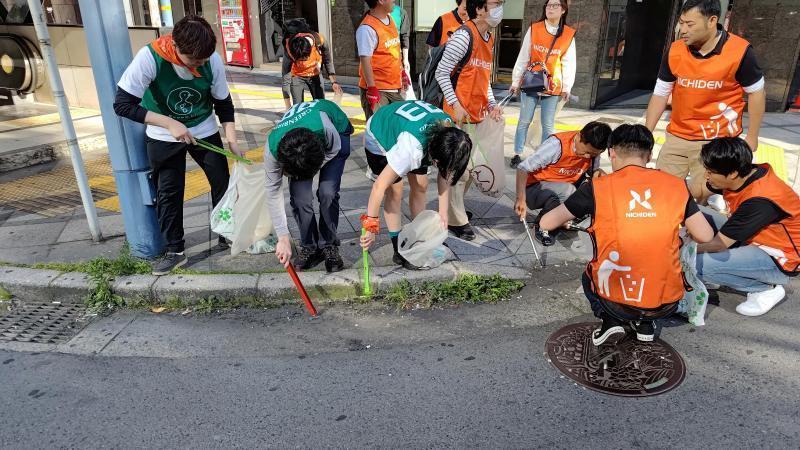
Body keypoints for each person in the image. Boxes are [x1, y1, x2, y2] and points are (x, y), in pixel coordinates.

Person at [540, 124, 714, 346]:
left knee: (589, 274)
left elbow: (547, 222)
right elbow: (705, 235)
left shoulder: (597, 187)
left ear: (611, 152)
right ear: (650, 155)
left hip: (617, 300)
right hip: (666, 301)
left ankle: (609, 321)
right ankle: (645, 325)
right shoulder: (677, 185)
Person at [113, 15, 244, 276]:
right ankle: (175, 250)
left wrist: (232, 140)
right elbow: (123, 104)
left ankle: (225, 233)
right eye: (194, 60)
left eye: (204, 59)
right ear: (176, 47)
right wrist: (168, 123)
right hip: (164, 135)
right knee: (169, 191)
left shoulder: (211, 60)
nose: (200, 64)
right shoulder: (150, 58)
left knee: (221, 181)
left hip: (204, 129)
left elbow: (223, 103)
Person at [645, 0, 765, 202]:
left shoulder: (740, 51)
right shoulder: (675, 50)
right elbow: (660, 93)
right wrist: (647, 133)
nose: (682, 30)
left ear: (712, 21)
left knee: (706, 197)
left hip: (718, 140)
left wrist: (752, 136)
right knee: (663, 193)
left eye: (689, 24)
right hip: (678, 136)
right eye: (681, 23)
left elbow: (756, 93)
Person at [359, 100, 472, 268]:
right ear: (434, 157)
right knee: (395, 191)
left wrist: (443, 213)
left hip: (411, 129)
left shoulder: (454, 137)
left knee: (421, 185)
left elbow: (445, 173)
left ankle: (417, 237)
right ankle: (398, 247)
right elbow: (379, 187)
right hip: (380, 135)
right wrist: (371, 227)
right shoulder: (411, 149)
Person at [696, 137, 799, 316]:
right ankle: (722, 271)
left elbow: (719, 244)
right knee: (694, 212)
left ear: (733, 173)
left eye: (711, 171)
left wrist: (676, 248)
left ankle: (765, 288)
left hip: (777, 257)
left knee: (691, 263)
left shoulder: (760, 200)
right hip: (752, 238)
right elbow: (698, 192)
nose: (706, 175)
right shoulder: (743, 174)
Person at [435, 0, 505, 241]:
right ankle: (455, 219)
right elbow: (441, 72)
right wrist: (455, 104)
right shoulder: (464, 36)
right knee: (457, 168)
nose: (500, 9)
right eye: (496, 4)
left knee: (469, 167)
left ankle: (457, 208)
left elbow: (484, 81)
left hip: (475, 115)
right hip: (456, 115)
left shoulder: (489, 38)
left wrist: (493, 105)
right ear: (480, 9)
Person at [267, 100, 354, 273]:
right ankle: (310, 246)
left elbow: (334, 149)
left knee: (327, 192)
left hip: (337, 128)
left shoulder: (327, 130)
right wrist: (283, 237)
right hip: (300, 142)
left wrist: (314, 167)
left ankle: (329, 244)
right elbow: (272, 193)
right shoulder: (272, 150)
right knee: (300, 198)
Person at [514, 121, 611, 246]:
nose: (588, 156)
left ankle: (564, 219)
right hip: (534, 188)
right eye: (587, 152)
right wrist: (520, 198)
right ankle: (542, 226)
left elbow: (593, 173)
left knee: (594, 185)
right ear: (580, 137)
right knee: (567, 190)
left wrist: (603, 179)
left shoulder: (593, 152)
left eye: (593, 154)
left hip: (565, 184)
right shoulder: (557, 145)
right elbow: (523, 168)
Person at [509, 0, 576, 169]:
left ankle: (544, 157)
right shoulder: (535, 29)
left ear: (563, 10)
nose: (551, 8)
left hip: (553, 85)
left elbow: (569, 62)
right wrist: (515, 81)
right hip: (532, 81)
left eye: (555, 5)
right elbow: (523, 56)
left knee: (548, 124)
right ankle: (517, 153)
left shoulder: (568, 34)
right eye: (548, 5)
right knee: (524, 120)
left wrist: (567, 87)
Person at [357, 0, 409, 119]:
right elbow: (365, 61)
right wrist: (371, 89)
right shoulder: (366, 29)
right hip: (378, 91)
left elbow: (394, 49)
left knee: (398, 128)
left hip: (394, 88)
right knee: (378, 133)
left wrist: (402, 73)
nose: (394, 1)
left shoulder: (389, 19)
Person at [280, 27, 342, 108]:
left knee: (320, 104)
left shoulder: (320, 41)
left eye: (305, 59)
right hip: (297, 76)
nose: (303, 63)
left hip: (315, 74)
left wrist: (334, 82)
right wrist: (288, 108)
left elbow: (328, 61)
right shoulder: (289, 49)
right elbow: (285, 77)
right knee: (298, 106)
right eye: (299, 60)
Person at [389, 4, 412, 72]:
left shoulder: (400, 12)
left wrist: (405, 59)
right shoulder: (373, 14)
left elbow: (404, 36)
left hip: (396, 55)